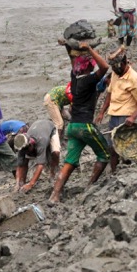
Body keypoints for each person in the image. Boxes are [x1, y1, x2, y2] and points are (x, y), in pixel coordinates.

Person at [49, 43, 109, 204]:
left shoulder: (74, 79)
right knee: (105, 154)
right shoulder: (89, 80)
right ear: (87, 68)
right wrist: (90, 49)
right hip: (85, 126)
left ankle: (54, 195)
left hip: (72, 127)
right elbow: (104, 67)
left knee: (70, 162)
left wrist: (68, 47)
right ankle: (90, 186)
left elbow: (72, 61)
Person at [96, 47, 137, 173]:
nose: (116, 70)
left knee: (121, 146)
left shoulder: (134, 78)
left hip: (125, 116)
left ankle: (127, 168)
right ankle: (114, 172)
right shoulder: (115, 73)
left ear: (126, 62)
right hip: (114, 115)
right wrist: (102, 111)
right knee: (111, 147)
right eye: (113, 68)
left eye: (118, 67)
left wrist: (133, 117)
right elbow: (109, 93)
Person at [13, 119, 60, 193]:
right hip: (37, 127)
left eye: (27, 150)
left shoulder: (41, 142)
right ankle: (22, 183)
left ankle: (53, 174)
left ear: (31, 144)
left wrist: (31, 184)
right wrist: (17, 182)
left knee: (55, 153)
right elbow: (20, 165)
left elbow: (40, 165)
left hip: (50, 128)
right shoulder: (22, 144)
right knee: (24, 161)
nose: (26, 152)